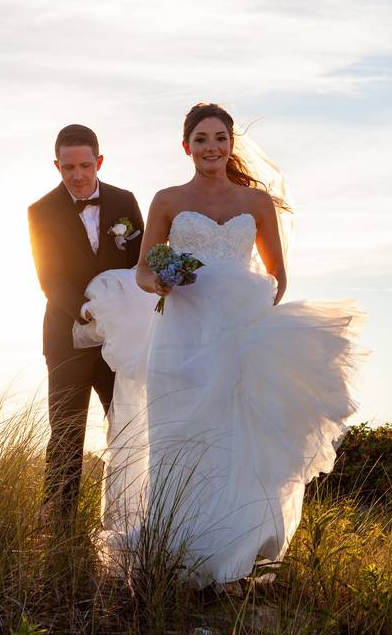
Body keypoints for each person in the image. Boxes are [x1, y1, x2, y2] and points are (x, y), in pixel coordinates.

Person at [76, 103, 364, 590]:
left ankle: (230, 558)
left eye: (220, 138)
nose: (212, 147)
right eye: (202, 139)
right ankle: (176, 551)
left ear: (231, 144)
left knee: (234, 440)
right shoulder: (167, 199)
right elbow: (145, 269)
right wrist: (159, 284)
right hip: (180, 335)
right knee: (177, 439)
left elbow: (277, 277)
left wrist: (243, 309)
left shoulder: (256, 204)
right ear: (186, 146)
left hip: (236, 336)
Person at [27, 124, 144, 526]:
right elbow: (49, 277)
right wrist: (84, 309)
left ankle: (133, 515)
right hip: (67, 337)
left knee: (128, 425)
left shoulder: (125, 201)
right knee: (65, 432)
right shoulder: (40, 211)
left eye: (84, 165)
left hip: (121, 340)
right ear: (56, 165)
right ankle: (58, 523)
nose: (76, 174)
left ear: (99, 161)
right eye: (67, 167)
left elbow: (138, 263)